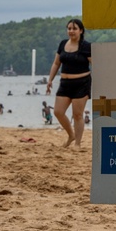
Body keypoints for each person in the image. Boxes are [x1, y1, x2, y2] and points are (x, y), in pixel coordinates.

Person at [46, 18, 92, 147]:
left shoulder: (86, 46)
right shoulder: (63, 44)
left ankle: (77, 143)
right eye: (69, 28)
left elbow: (96, 64)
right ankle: (71, 135)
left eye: (74, 29)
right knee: (58, 112)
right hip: (65, 83)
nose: (71, 31)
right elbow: (56, 63)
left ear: (81, 31)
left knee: (77, 115)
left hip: (81, 82)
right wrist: (50, 80)